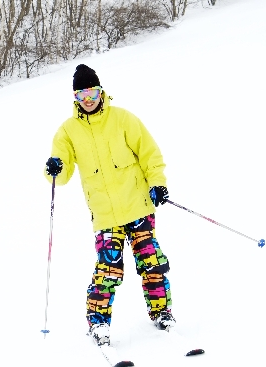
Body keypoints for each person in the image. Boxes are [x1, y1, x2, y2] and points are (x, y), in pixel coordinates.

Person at [44, 64, 175, 346]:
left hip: (138, 206)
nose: (88, 100)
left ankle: (162, 312)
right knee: (109, 269)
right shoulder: (67, 131)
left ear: (101, 92)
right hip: (105, 216)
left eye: (91, 92)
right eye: (81, 95)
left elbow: (150, 155)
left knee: (152, 262)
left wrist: (157, 183)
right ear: (75, 98)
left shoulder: (123, 120)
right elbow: (62, 174)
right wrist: (54, 167)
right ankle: (98, 322)